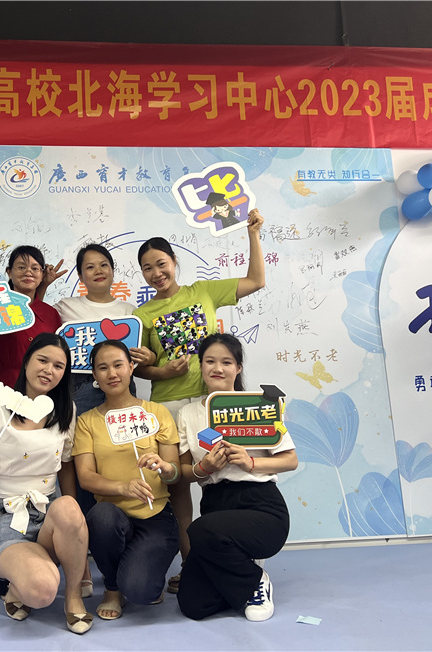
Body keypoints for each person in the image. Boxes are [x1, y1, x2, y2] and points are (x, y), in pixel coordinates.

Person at [132, 208, 266, 594]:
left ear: (174, 262)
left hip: (213, 403)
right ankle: (191, 564)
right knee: (178, 488)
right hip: (170, 408)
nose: (156, 273)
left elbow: (256, 280)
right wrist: (163, 371)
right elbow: (141, 369)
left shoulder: (203, 292)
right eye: (147, 268)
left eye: (161, 264)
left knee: (223, 479)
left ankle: (227, 559)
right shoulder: (142, 314)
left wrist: (253, 234)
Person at [0, 333, 92, 635]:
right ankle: (17, 585)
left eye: (59, 366)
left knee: (69, 506)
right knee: (42, 590)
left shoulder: (66, 410)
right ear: (26, 362)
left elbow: (65, 468)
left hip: (48, 514)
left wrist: (77, 532)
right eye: (42, 360)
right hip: (7, 517)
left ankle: (73, 596)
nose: (49, 370)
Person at [175, 333, 297, 621]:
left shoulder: (259, 405)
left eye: (226, 362)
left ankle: (256, 581)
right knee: (193, 605)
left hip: (261, 505)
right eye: (210, 361)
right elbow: (182, 472)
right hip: (215, 504)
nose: (218, 368)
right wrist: (204, 468)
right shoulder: (188, 413)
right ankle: (241, 566)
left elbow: (290, 460)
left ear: (238, 368)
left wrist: (250, 462)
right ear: (201, 366)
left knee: (199, 530)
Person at [73, 340, 180, 620]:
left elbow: (175, 473)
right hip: (111, 515)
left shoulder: (156, 413)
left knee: (141, 592)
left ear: (131, 367)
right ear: (94, 375)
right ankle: (112, 587)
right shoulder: (86, 422)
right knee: (102, 516)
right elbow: (85, 477)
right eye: (103, 368)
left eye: (118, 365)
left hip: (155, 514)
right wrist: (123, 487)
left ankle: (137, 574)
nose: (112, 373)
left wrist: (164, 467)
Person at [49, 244, 156, 521]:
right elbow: (38, 323)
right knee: (81, 457)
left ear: (112, 270)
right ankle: (86, 524)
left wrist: (149, 356)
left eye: (103, 265)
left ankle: (128, 518)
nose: (98, 271)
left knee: (123, 451)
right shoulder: (65, 307)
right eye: (90, 267)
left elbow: (145, 355)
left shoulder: (129, 311)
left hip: (122, 390)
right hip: (79, 390)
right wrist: (42, 287)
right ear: (80, 276)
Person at [0, 245, 62, 388]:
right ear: (9, 272)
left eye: (35, 268)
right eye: (21, 267)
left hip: (45, 396)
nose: (28, 272)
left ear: (42, 274)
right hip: (7, 395)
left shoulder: (51, 314)